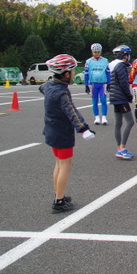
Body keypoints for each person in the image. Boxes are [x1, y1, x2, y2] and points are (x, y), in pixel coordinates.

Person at [41, 54, 95, 213]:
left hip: (51, 130)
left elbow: (41, 88)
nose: (72, 74)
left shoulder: (49, 85)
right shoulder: (62, 92)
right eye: (71, 71)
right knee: (65, 165)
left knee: (58, 163)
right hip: (62, 133)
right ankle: (59, 202)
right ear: (66, 74)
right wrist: (84, 129)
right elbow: (71, 112)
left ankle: (59, 194)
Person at [108, 45, 135, 160]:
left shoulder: (115, 66)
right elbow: (124, 84)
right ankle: (122, 148)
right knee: (130, 122)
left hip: (115, 97)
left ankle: (119, 148)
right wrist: (130, 97)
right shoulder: (121, 66)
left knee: (118, 123)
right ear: (125, 55)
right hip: (121, 98)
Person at [84, 43, 110, 125]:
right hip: (93, 84)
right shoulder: (88, 61)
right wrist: (86, 85)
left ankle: (104, 117)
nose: (97, 54)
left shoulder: (105, 61)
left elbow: (108, 72)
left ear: (101, 52)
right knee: (94, 101)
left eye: (98, 52)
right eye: (95, 52)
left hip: (102, 84)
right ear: (92, 52)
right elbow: (86, 74)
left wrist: (109, 83)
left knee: (103, 100)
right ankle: (97, 117)